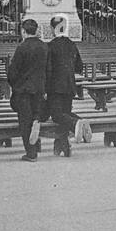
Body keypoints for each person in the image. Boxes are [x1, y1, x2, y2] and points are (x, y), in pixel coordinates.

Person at [45, 14, 90, 156]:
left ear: (53, 29)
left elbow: (48, 69)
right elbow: (79, 66)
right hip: (70, 85)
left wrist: (45, 88)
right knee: (65, 113)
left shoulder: (50, 46)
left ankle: (76, 123)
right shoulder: (71, 44)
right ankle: (67, 140)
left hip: (55, 87)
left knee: (57, 116)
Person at [7, 18, 49, 161]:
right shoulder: (44, 46)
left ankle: (31, 153)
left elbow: (13, 71)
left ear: (23, 32)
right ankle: (36, 141)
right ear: (36, 30)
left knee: (25, 121)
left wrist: (15, 85)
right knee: (35, 116)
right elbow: (48, 69)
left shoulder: (22, 47)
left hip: (24, 89)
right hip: (39, 88)